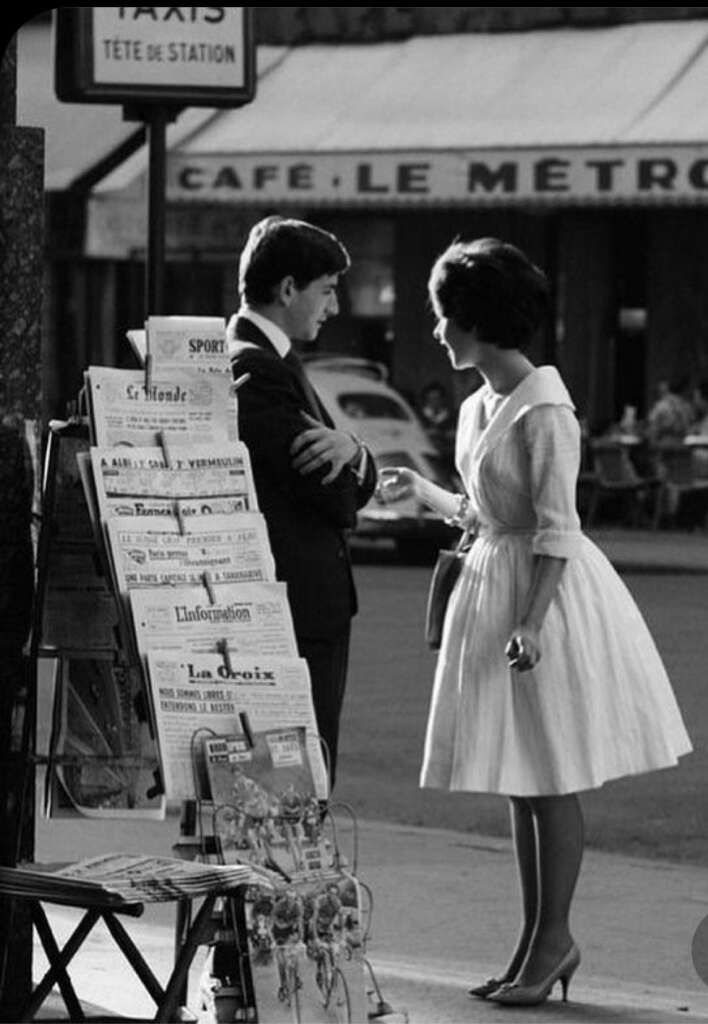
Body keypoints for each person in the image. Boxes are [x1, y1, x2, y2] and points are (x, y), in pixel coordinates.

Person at [378, 238, 692, 1007]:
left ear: (479, 321)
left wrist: (534, 622)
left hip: (540, 595)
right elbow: (490, 513)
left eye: (445, 315)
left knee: (548, 775)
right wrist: (423, 491)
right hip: (499, 576)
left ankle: (553, 942)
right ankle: (534, 943)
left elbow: (557, 526)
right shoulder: (482, 402)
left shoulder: (546, 409)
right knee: (522, 781)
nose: (437, 331)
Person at [228, 216, 378, 792]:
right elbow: (333, 491)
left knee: (299, 775)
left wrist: (356, 453)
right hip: (295, 608)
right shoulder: (256, 366)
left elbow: (347, 473)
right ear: (288, 289)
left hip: (306, 605)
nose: (334, 307)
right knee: (296, 781)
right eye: (327, 290)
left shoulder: (270, 358)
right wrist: (356, 463)